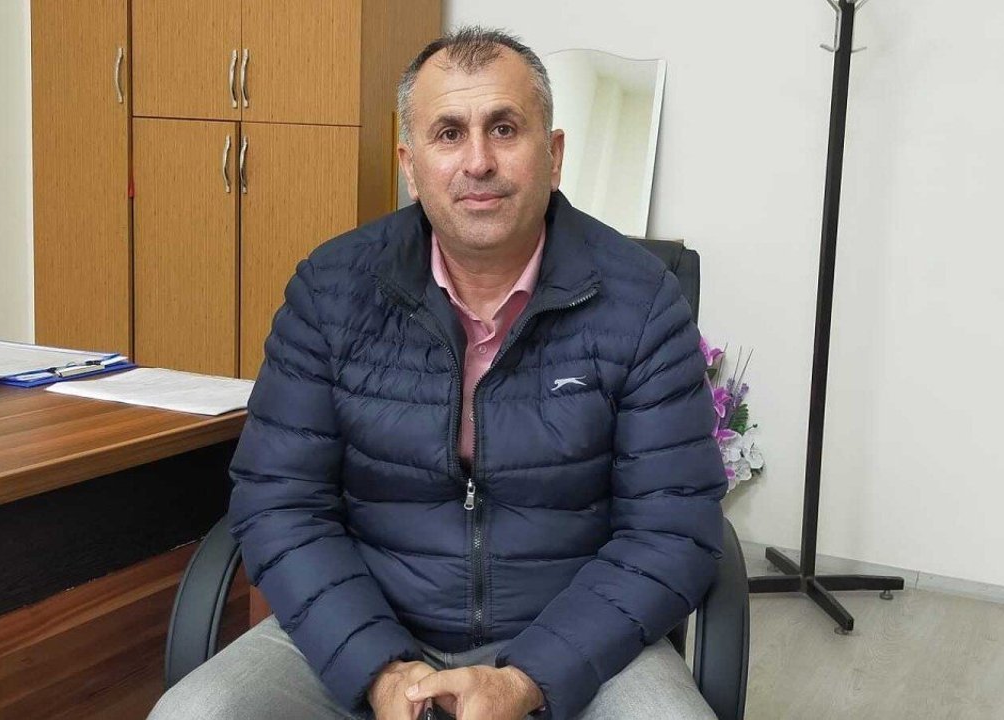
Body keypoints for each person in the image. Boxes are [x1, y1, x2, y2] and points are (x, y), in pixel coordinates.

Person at [150, 26, 726, 720]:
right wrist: (381, 671)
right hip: (361, 631)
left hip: (576, 643)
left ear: (554, 155)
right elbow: (281, 500)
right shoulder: (331, 290)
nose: (478, 161)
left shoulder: (641, 301)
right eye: (449, 133)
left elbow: (671, 528)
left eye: (504, 129)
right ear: (410, 164)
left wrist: (527, 679)